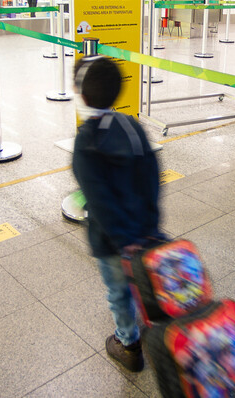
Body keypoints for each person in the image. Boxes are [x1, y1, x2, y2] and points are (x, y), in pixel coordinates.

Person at [71, 55, 162, 373]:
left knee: (118, 292)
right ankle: (157, 327)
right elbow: (153, 177)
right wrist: (149, 226)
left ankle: (129, 344)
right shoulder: (132, 125)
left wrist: (123, 244)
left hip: (112, 242)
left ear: (81, 94)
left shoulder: (86, 142)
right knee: (143, 281)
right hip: (145, 231)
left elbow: (100, 202)